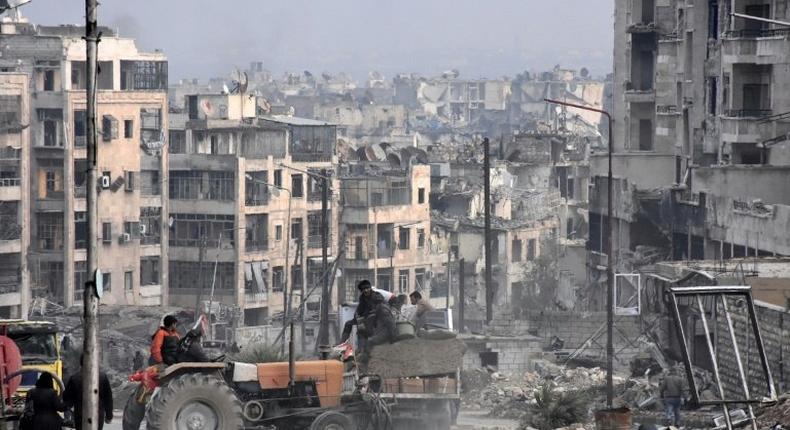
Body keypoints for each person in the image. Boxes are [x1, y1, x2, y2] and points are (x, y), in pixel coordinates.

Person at [63, 356, 113, 430]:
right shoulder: (103, 377)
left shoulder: (74, 378)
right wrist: (109, 416)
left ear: (81, 363)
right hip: (98, 416)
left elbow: (67, 399)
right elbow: (108, 398)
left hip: (80, 416)